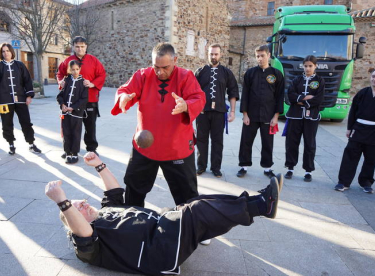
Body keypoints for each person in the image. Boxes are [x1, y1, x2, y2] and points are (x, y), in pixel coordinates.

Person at [45, 152, 283, 276]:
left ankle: (257, 201)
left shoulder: (105, 211)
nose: (83, 206)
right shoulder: (88, 244)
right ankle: (262, 205)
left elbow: (113, 188)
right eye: (77, 209)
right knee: (196, 211)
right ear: (71, 222)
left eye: (82, 202)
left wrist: (99, 164)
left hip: (166, 226)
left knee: (196, 203)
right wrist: (63, 203)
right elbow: (82, 234)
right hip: (160, 251)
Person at [111, 42, 206, 208]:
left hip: (177, 149)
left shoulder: (186, 76)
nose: (160, 72)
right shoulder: (143, 75)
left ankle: (190, 229)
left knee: (187, 197)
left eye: (165, 67)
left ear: (175, 60)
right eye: (156, 67)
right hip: (145, 147)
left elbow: (199, 98)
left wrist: (186, 105)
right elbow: (125, 90)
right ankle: (134, 225)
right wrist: (123, 98)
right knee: (133, 191)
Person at [334, 68, 375, 194]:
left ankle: (366, 182)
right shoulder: (363, 93)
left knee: (370, 158)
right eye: (373, 76)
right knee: (350, 156)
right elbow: (353, 111)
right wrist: (349, 128)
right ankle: (343, 182)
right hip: (359, 129)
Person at [237, 45, 284, 178]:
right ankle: (243, 166)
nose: (260, 58)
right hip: (251, 115)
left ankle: (267, 168)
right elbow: (245, 94)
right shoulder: (250, 73)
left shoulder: (276, 74)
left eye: (262, 55)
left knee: (267, 143)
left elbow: (279, 96)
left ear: (268, 55)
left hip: (268, 116)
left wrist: (276, 116)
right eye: (257, 56)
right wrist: (244, 114)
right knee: (246, 141)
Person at [194, 43, 239, 178]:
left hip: (219, 112)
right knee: (201, 140)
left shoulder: (226, 72)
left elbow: (233, 92)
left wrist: (232, 112)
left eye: (216, 54)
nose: (213, 56)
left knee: (217, 141)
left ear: (220, 54)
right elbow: (193, 93)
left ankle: (216, 168)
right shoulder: (200, 71)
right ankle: (201, 166)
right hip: (202, 112)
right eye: (211, 54)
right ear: (207, 54)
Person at [0, 43, 42, 155]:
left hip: (21, 99)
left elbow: (27, 80)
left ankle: (31, 144)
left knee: (26, 122)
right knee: (6, 124)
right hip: (4, 101)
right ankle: (11, 144)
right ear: (1, 53)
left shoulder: (20, 65)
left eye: (7, 50)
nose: (5, 53)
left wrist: (28, 96)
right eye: (3, 51)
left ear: (11, 51)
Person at [57, 36, 106, 157]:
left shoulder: (94, 60)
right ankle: (68, 149)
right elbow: (60, 74)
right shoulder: (67, 61)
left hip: (90, 99)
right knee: (70, 127)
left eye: (82, 46)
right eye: (77, 46)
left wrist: (92, 83)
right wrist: (60, 81)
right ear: (73, 47)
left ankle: (91, 149)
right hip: (71, 102)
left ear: (86, 47)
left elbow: (102, 74)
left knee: (90, 126)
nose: (80, 49)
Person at [284, 55, 325, 182]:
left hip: (311, 117)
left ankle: (308, 170)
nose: (307, 68)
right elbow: (290, 95)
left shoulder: (320, 80)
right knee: (292, 142)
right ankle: (290, 167)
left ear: (315, 66)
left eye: (310, 66)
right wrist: (305, 98)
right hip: (295, 115)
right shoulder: (297, 80)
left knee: (309, 143)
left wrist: (302, 100)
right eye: (306, 66)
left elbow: (319, 98)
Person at [56, 60, 89, 164]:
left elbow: (84, 99)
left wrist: (73, 107)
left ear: (80, 69)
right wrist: (63, 105)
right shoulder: (66, 81)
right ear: (69, 70)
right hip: (65, 113)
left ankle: (74, 153)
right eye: (72, 69)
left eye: (77, 69)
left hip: (77, 113)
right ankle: (67, 152)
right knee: (66, 133)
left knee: (75, 133)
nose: (75, 71)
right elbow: (60, 96)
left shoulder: (83, 82)